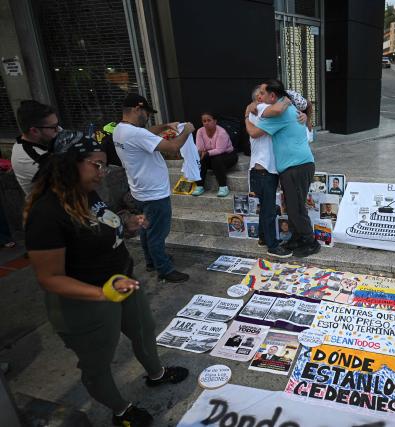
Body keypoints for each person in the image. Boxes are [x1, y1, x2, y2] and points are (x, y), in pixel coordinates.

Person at [24, 137, 188, 427]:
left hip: (122, 282)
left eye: (103, 164)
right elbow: (49, 278)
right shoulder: (46, 213)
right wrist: (102, 293)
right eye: (96, 165)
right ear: (69, 165)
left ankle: (156, 374)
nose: (102, 172)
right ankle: (121, 410)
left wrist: (126, 226)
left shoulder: (86, 193)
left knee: (143, 330)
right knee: (97, 362)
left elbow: (100, 228)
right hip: (86, 302)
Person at [113, 93, 193, 283]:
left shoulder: (120, 129)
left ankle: (151, 261)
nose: (148, 117)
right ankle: (164, 270)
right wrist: (187, 131)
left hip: (139, 191)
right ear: (137, 109)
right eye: (146, 112)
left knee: (146, 229)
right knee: (157, 233)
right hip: (154, 193)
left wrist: (165, 126)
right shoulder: (136, 133)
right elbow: (173, 147)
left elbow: (147, 133)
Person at [244, 79, 320, 257]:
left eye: (262, 94)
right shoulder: (284, 108)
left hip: (296, 166)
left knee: (296, 208)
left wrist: (246, 116)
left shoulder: (279, 113)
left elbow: (254, 133)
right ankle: (297, 237)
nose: (259, 98)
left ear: (272, 96)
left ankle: (310, 241)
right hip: (294, 166)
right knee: (293, 205)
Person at [12, 100, 59, 195]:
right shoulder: (30, 159)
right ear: (34, 131)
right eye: (54, 127)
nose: (58, 130)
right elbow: (73, 180)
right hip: (51, 204)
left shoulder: (45, 134)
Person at [192, 112, 238, 197]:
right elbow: (200, 149)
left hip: (228, 156)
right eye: (204, 121)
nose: (206, 123)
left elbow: (220, 150)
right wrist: (201, 154)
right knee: (200, 159)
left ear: (215, 121)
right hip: (211, 156)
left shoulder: (221, 132)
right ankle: (199, 186)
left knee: (216, 159)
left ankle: (223, 187)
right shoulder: (200, 131)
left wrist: (206, 153)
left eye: (209, 120)